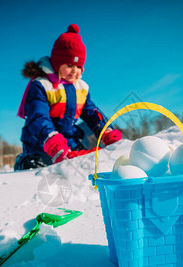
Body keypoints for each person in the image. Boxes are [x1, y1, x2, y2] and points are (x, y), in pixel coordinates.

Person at [14, 24, 122, 170]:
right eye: (70, 65)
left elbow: (92, 114)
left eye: (79, 67)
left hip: (69, 141)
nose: (75, 71)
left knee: (86, 168)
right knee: (45, 171)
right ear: (58, 62)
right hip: (41, 143)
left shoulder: (80, 89)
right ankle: (25, 162)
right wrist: (51, 138)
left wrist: (106, 132)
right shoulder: (42, 85)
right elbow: (38, 116)